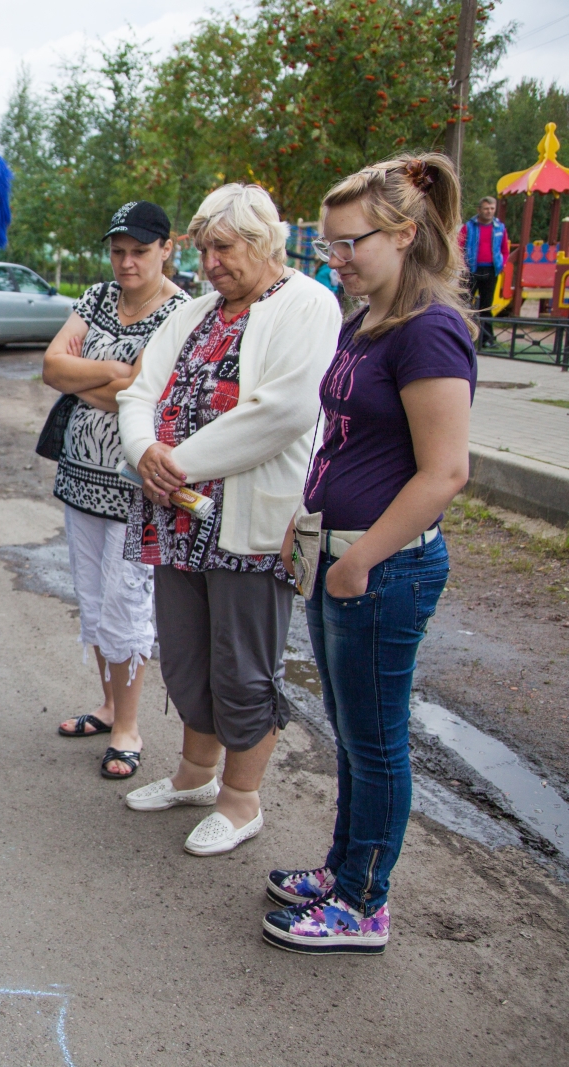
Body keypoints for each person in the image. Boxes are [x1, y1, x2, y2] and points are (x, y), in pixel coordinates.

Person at [263, 155, 476, 956]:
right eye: (328, 243)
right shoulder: (368, 322)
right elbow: (345, 438)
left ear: (405, 234)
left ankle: (363, 903)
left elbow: (446, 470)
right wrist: (305, 522)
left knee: (378, 738)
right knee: (352, 733)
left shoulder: (431, 332)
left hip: (381, 567)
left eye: (350, 244)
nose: (335, 258)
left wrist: (360, 561)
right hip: (338, 552)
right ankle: (344, 868)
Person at [116, 182, 338, 857]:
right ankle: (195, 775)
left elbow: (285, 411)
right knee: (186, 657)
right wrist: (144, 451)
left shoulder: (307, 304)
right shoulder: (195, 313)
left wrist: (170, 459)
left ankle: (241, 802)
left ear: (264, 240)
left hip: (247, 520)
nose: (210, 261)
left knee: (242, 667)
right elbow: (139, 390)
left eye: (224, 247)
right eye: (204, 247)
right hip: (178, 516)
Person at [41, 201, 187, 780]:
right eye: (119, 250)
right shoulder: (98, 298)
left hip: (134, 486)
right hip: (81, 477)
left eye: (140, 251)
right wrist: (117, 378)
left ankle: (128, 727)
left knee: (128, 605)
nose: (127, 262)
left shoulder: (179, 311)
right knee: (94, 600)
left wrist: (92, 377)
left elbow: (151, 394)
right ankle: (107, 706)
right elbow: (53, 368)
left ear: (166, 248)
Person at [462, 195, 509, 349]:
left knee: (487, 305)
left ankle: (487, 338)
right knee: (465, 304)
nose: (489, 212)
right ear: (479, 210)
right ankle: (464, 336)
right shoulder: (469, 227)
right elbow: (458, 245)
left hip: (491, 269)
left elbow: (505, 249)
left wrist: (502, 264)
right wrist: (462, 264)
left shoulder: (499, 228)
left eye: (492, 209)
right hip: (472, 269)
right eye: (486, 208)